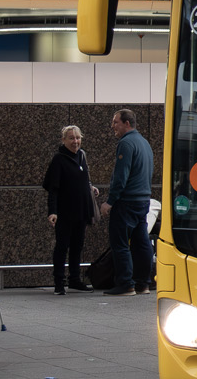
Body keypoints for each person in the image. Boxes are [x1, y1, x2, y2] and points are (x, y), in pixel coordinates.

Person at [99, 108, 154, 297]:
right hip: (143, 199)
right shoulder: (144, 143)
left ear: (127, 123)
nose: (112, 126)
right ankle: (143, 283)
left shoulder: (126, 143)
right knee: (141, 242)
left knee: (120, 242)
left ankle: (125, 284)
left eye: (116, 122)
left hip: (126, 201)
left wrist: (110, 201)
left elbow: (121, 176)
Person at [43, 125, 97, 294]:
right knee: (62, 246)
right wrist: (53, 211)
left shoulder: (82, 156)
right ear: (63, 140)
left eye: (78, 138)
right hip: (65, 212)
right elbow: (53, 189)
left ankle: (75, 279)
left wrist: (91, 187)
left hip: (81, 210)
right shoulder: (59, 159)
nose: (75, 141)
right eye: (71, 138)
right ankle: (59, 282)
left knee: (77, 245)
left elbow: (83, 179)